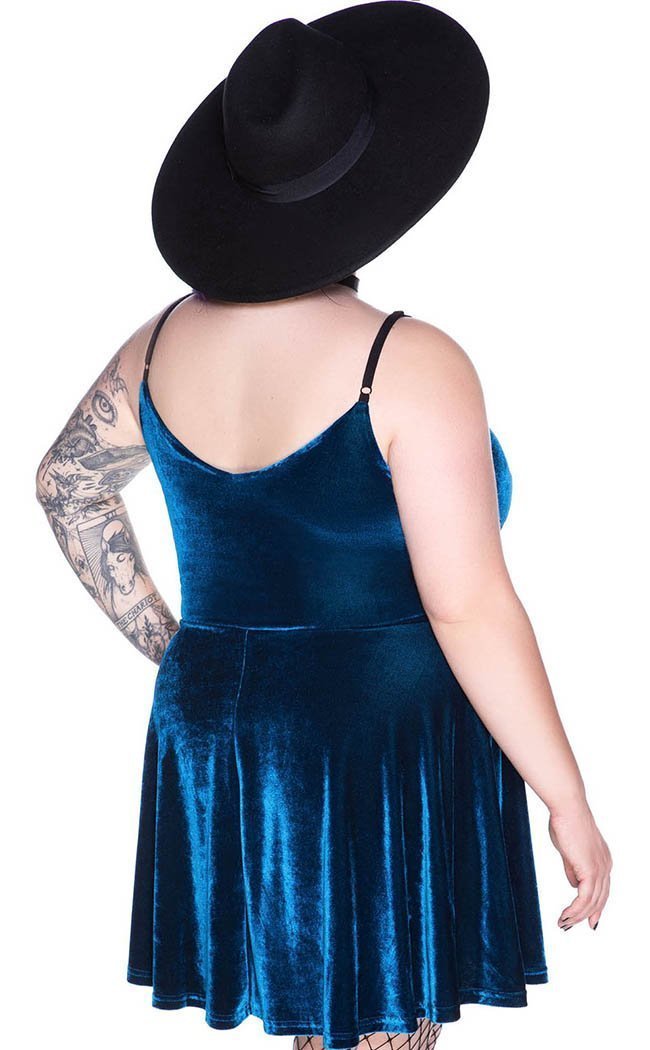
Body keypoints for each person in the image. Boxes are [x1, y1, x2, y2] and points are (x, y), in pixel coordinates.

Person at [35, 5, 612, 1050]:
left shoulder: (159, 343)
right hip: (369, 737)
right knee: (373, 1026)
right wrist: (563, 792)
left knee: (318, 1021)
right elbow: (467, 606)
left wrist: (182, 649)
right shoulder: (408, 361)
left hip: (217, 727)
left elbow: (66, 486)